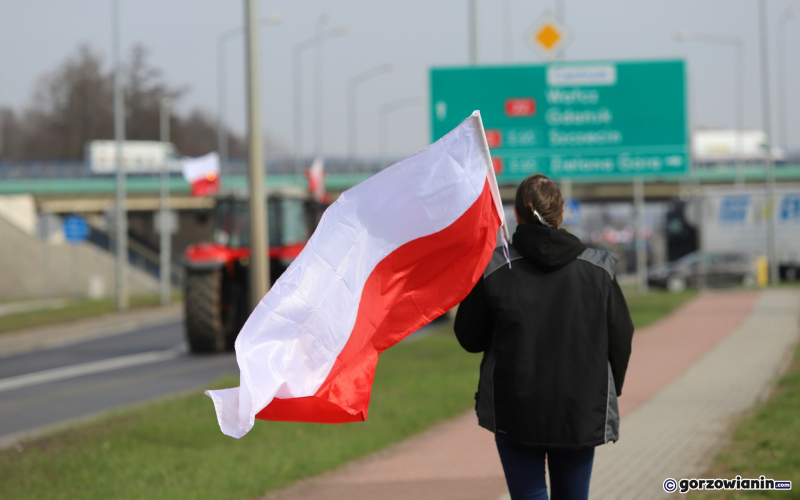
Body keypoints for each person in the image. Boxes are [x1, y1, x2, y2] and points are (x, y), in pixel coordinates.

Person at [454, 174, 634, 500]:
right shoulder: (599, 268)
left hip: (515, 408)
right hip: (581, 407)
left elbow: (469, 338)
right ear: (562, 213)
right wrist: (607, 390)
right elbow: (621, 337)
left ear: (517, 215)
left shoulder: (494, 268)